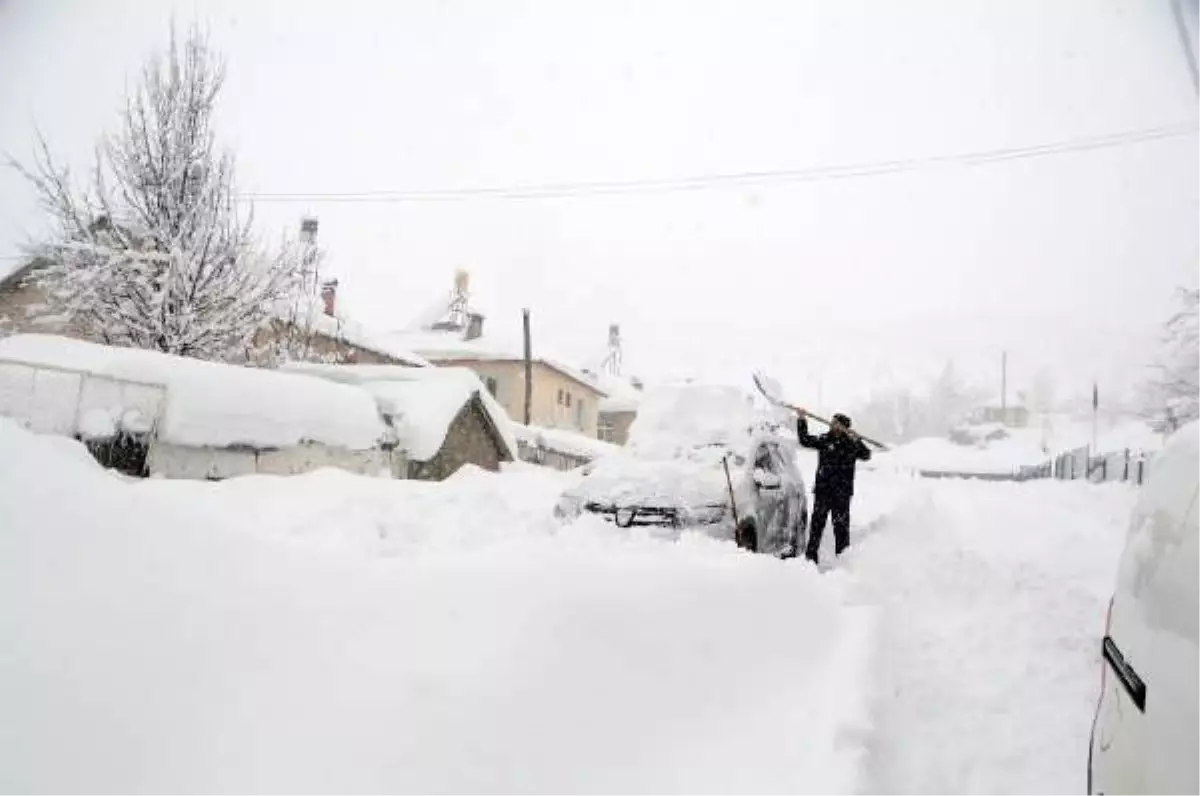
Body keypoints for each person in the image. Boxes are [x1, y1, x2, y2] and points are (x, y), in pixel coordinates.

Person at [796, 409, 871, 564]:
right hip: (823, 491)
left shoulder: (851, 444)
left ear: (843, 427)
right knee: (816, 527)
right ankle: (810, 559)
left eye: (836, 423)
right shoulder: (825, 440)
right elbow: (804, 440)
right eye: (832, 422)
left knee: (841, 530)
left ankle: (844, 561)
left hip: (842, 494)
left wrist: (857, 440)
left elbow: (867, 455)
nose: (832, 425)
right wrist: (802, 419)